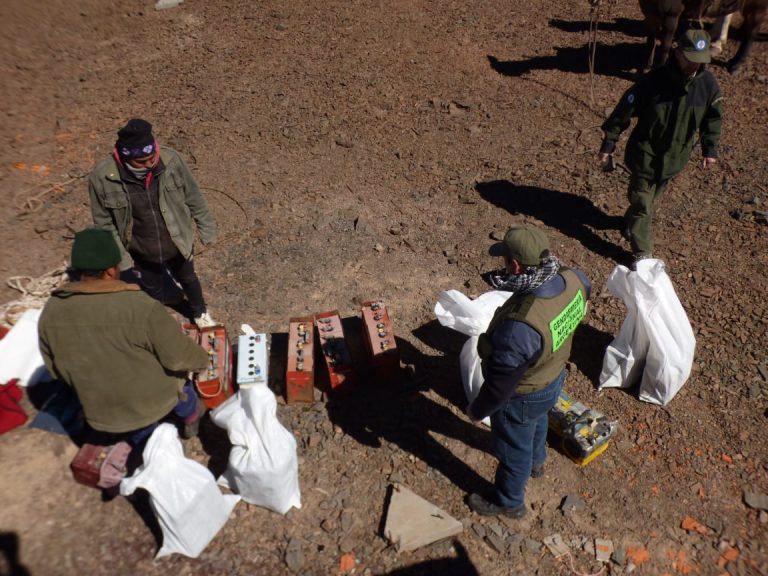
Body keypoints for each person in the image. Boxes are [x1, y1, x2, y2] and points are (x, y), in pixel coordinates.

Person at [38, 228, 210, 444]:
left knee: (143, 437)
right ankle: (191, 418)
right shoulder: (139, 306)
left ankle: (146, 445)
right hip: (155, 400)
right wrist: (203, 360)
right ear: (110, 271)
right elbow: (178, 357)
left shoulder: (51, 311)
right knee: (181, 383)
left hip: (104, 414)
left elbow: (55, 370)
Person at [466, 225, 591, 518]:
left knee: (512, 448)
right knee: (536, 421)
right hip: (553, 376)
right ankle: (537, 461)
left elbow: (500, 386)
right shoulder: (574, 279)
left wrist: (478, 409)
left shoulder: (519, 329)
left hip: (522, 393)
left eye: (505, 260)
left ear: (516, 265)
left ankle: (509, 502)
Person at [598, 29, 723, 266]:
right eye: (690, 60)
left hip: (675, 159)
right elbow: (623, 111)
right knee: (643, 204)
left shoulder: (707, 85)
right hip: (645, 155)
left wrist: (710, 148)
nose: (694, 66)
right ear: (677, 53)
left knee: (650, 200)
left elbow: (712, 119)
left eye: (700, 61)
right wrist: (609, 143)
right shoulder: (653, 81)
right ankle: (642, 252)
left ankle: (631, 222)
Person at [88, 118, 218, 327]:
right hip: (141, 249)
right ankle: (170, 305)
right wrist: (123, 260)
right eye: (142, 162)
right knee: (155, 288)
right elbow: (104, 223)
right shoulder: (102, 178)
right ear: (125, 157)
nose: (150, 164)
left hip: (178, 241)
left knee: (189, 279)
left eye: (152, 157)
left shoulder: (171, 160)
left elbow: (193, 195)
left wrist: (207, 227)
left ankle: (199, 312)